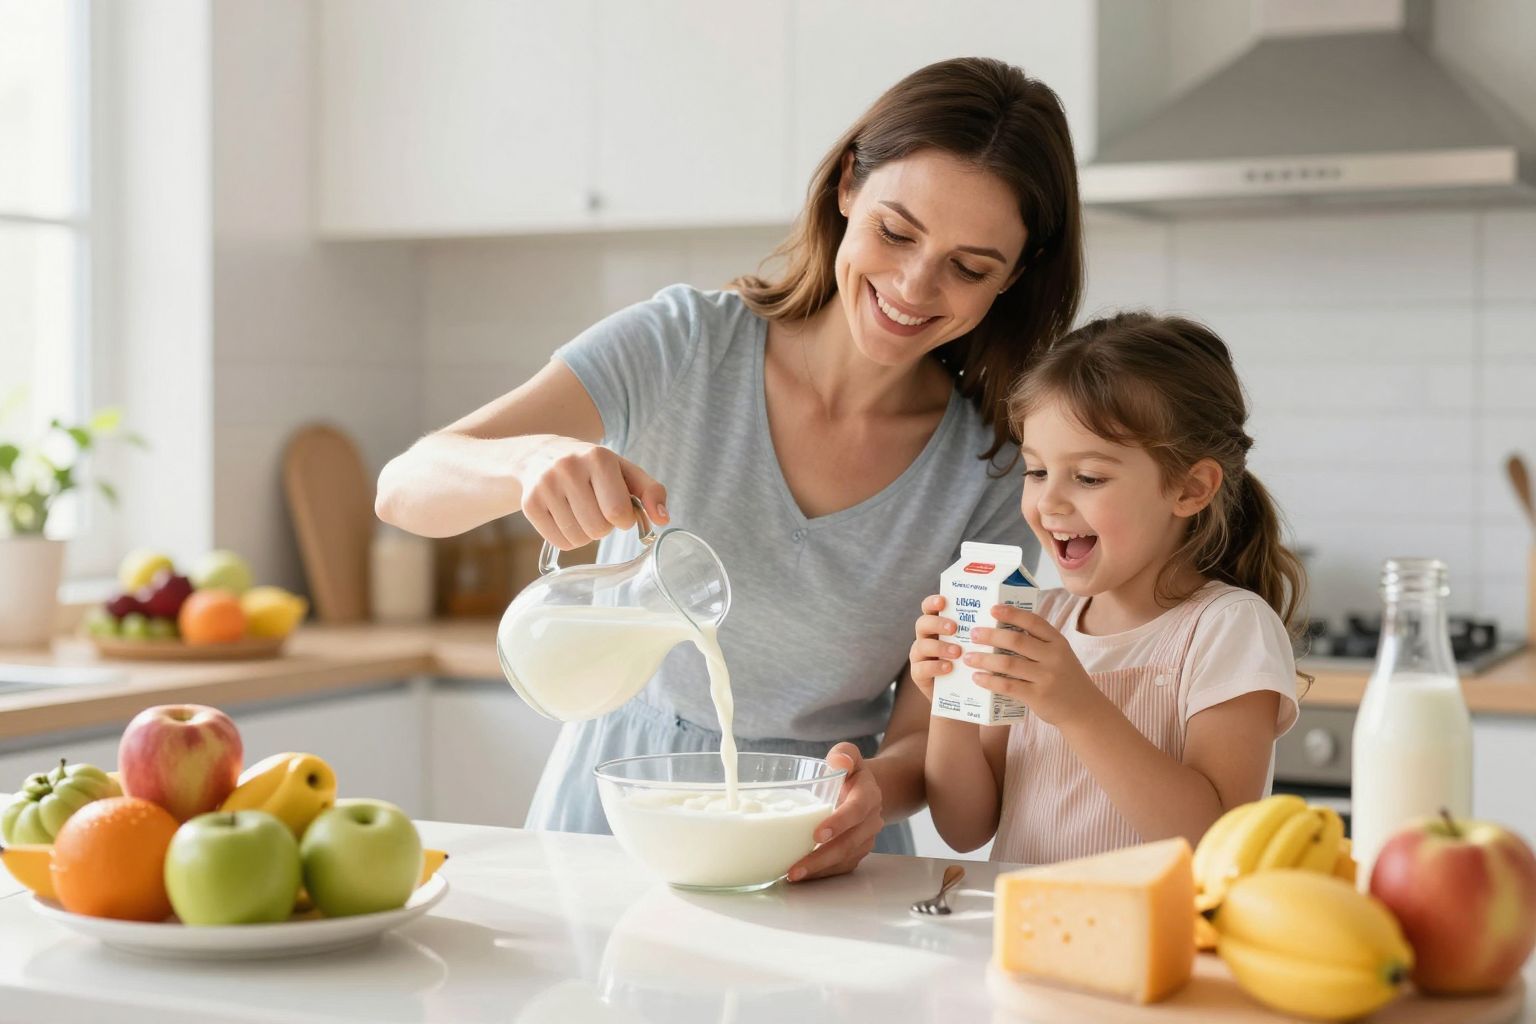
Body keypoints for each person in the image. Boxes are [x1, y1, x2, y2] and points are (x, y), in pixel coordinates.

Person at [375, 56, 1083, 878]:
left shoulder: (992, 472)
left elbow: (930, 732)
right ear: (848, 185)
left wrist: (872, 797)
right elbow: (406, 487)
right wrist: (529, 459)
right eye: (896, 231)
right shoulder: (684, 347)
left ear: (1016, 275)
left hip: (816, 842)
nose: (913, 285)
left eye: (969, 267)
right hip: (616, 826)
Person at [909, 312, 1306, 864]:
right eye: (1037, 471)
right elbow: (964, 827)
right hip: (1028, 939)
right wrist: (949, 703)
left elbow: (1216, 844)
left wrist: (1079, 709)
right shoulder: (1038, 617)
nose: (1049, 503)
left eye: (1089, 477)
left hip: (1154, 945)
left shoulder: (1227, 628)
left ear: (1190, 488)